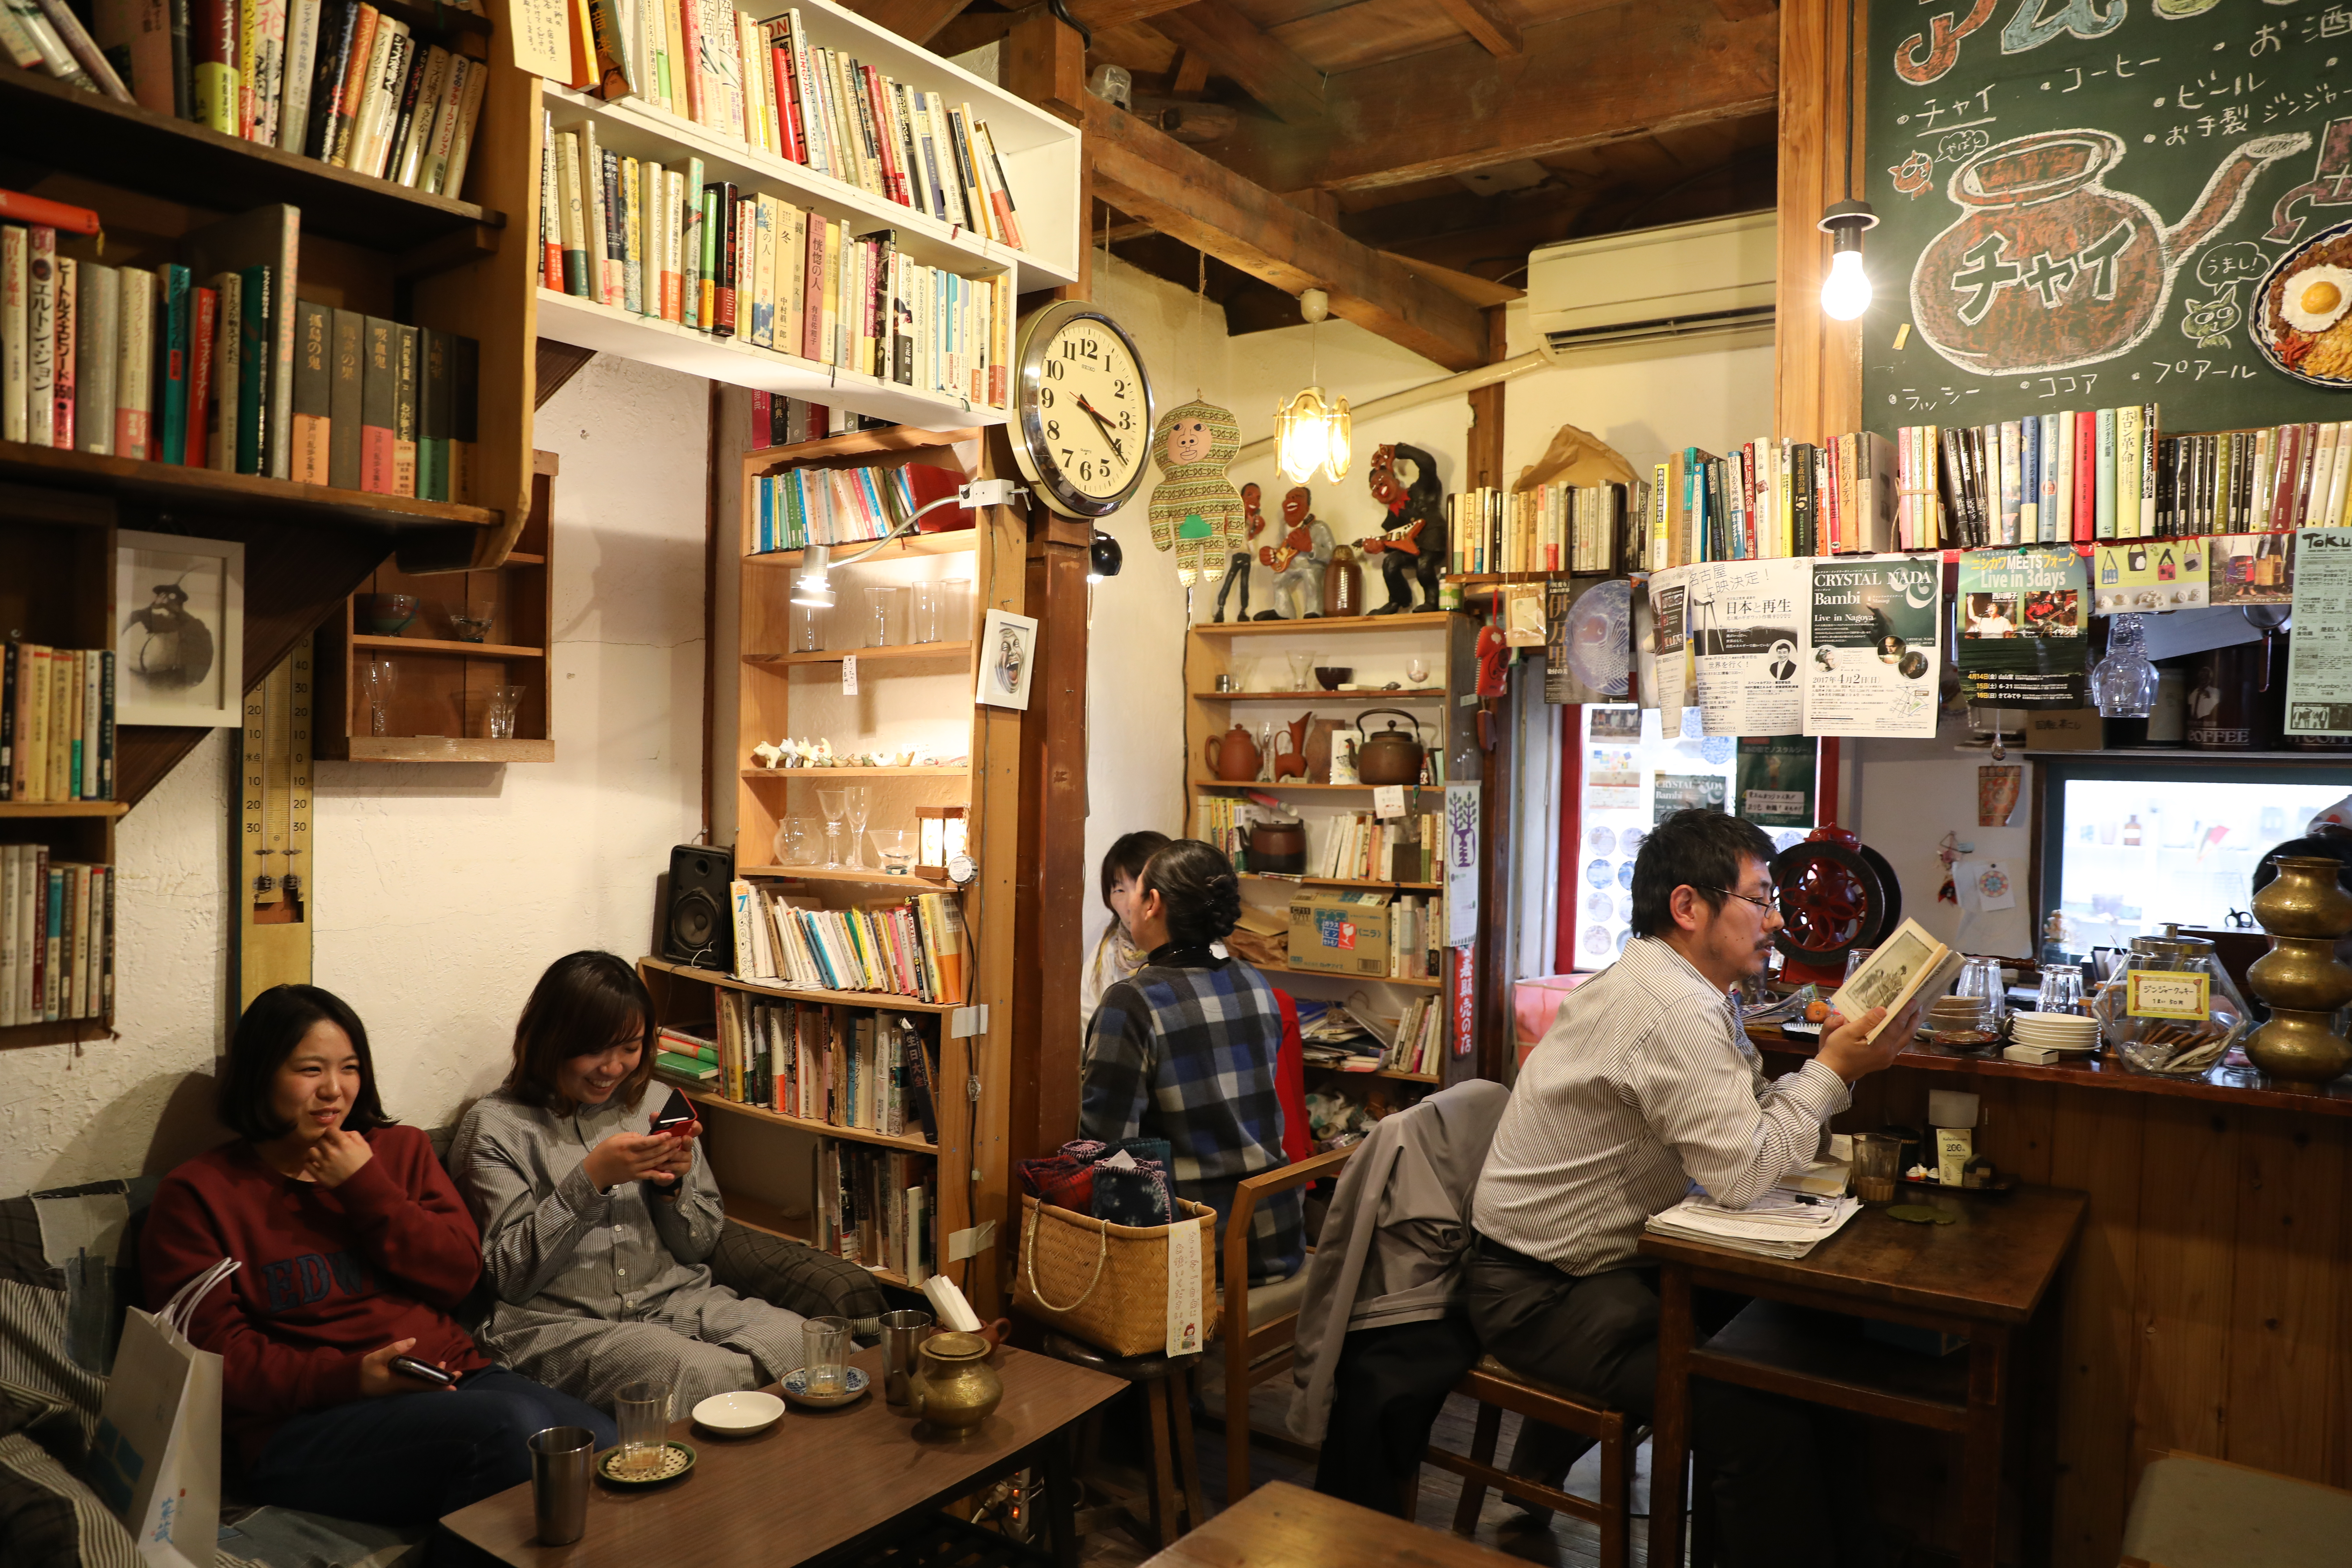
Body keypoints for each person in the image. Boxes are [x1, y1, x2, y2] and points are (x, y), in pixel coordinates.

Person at [1466, 809, 1916, 1567]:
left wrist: (1822, 1071)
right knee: (1758, 1418)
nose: (1777, 919)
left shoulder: (1676, 982)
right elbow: (1741, 1174)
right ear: (1688, 906)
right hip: (1540, 1288)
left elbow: (1737, 1132)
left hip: (1606, 1261)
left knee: (1801, 1351)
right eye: (1759, 897)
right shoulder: (1674, 1006)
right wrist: (1835, 1070)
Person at [139, 985, 613, 1537]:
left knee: (600, 1445)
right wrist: (351, 1379)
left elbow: (459, 1274)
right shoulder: (199, 1196)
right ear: (261, 1074)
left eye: (350, 1068)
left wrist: (367, 1190)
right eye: (310, 1070)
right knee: (510, 1429)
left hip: (451, 1380)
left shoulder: (399, 1153)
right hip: (303, 1426)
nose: (334, 1091)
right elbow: (214, 1358)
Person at [448, 951, 806, 1414]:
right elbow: (511, 1278)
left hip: (676, 1301)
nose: (613, 1068)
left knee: (806, 1343)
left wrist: (669, 1188)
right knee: (703, 1374)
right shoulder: (496, 1128)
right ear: (549, 1039)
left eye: (630, 1047)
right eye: (594, 1049)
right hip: (562, 1324)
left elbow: (698, 1246)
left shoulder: (657, 1102)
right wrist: (592, 1180)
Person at [1080, 837, 1301, 1284]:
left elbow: (1106, 1148)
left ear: (1153, 904)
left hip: (1197, 1250)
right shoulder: (1254, 981)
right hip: (1277, 1234)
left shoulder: (1132, 1001)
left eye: (1135, 890)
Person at [1079, 830, 1171, 1034]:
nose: (1131, 904)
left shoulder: (1197, 950)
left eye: (1141, 887)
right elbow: (1085, 1021)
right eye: (1119, 891)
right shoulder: (1110, 948)